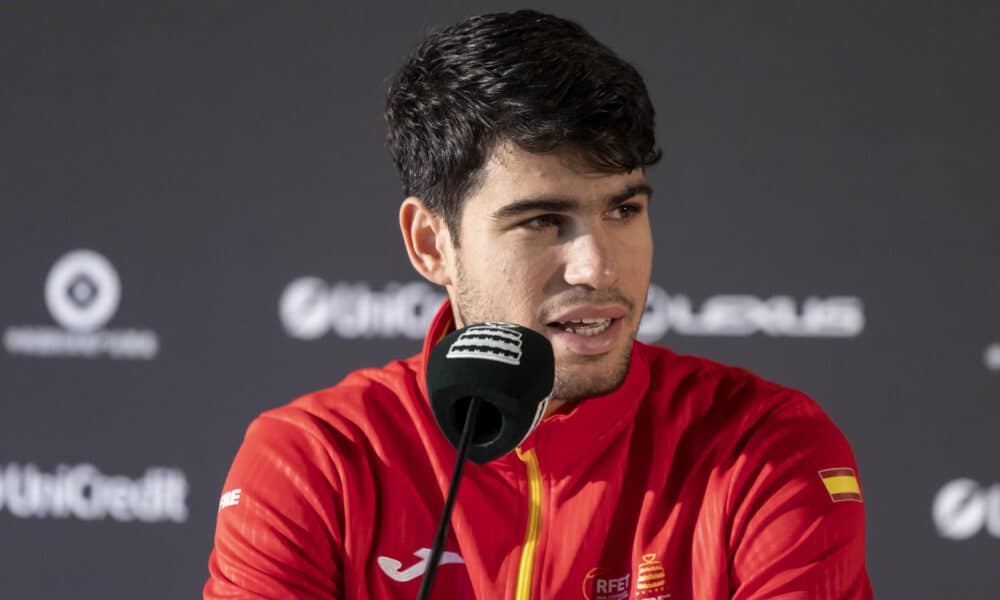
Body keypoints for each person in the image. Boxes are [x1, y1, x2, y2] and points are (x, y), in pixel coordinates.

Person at [205, 10, 872, 599]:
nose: (599, 266)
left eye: (623, 209)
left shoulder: (763, 448)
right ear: (431, 243)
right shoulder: (316, 460)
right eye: (542, 221)